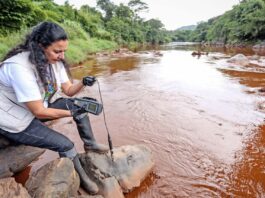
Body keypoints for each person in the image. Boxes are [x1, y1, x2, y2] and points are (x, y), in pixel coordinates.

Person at [0, 21, 108, 194]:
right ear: (39, 46)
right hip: (14, 119)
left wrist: (82, 83)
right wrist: (71, 112)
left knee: (82, 106)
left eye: (64, 51)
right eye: (57, 51)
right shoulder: (18, 67)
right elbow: (39, 112)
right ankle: (81, 180)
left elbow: (69, 91)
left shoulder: (54, 61)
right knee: (66, 145)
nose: (62, 56)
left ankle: (90, 144)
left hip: (38, 104)